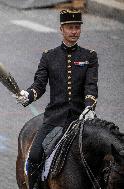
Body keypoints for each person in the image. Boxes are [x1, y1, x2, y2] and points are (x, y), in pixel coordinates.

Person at [15, 9, 98, 189]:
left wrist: (90, 106)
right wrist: (27, 95)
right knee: (35, 155)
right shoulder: (49, 56)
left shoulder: (89, 56)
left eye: (77, 27)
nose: (74, 31)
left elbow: (91, 86)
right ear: (61, 29)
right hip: (54, 119)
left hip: (81, 118)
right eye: (70, 28)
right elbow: (39, 85)